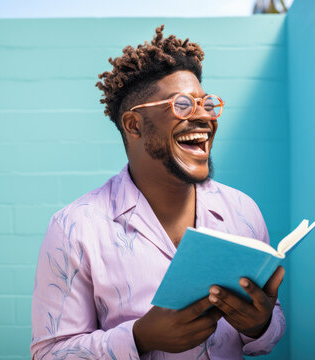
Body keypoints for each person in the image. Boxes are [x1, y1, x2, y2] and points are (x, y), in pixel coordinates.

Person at [30, 25, 285, 359]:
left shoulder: (242, 211)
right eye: (181, 104)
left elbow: (271, 327)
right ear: (134, 125)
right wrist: (138, 338)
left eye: (206, 103)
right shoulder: (74, 228)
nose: (204, 116)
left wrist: (260, 324)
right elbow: (49, 354)